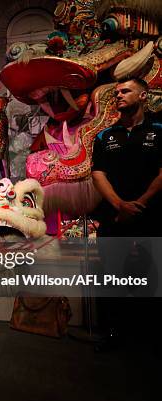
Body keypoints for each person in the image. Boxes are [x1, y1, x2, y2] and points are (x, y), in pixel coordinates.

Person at [91, 77, 162, 352]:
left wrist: (140, 203)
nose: (118, 95)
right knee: (112, 276)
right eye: (117, 92)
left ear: (143, 96)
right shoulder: (105, 135)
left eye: (125, 91)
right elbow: (98, 173)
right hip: (115, 218)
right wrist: (120, 205)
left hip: (152, 216)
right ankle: (112, 334)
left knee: (152, 275)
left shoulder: (159, 129)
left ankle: (150, 338)